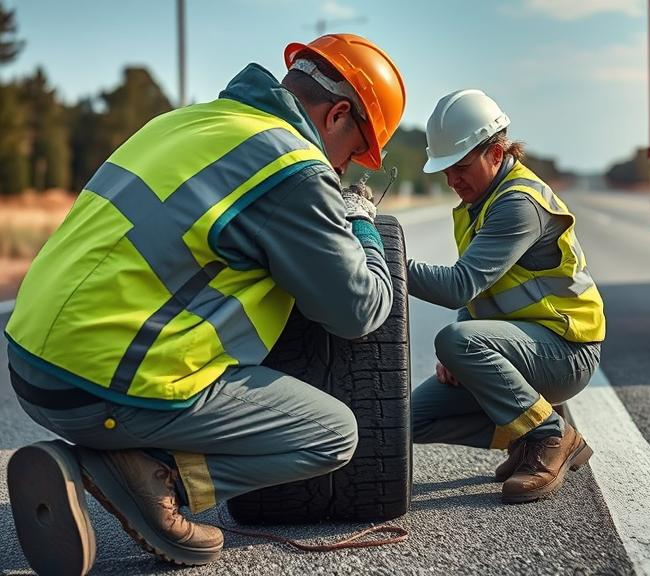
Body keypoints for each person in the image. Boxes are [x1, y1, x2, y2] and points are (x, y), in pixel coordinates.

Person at [5, 33, 406, 575]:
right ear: (337, 115)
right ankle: (155, 475)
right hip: (105, 386)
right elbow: (357, 310)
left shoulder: (186, 122)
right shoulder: (293, 168)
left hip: (31, 367)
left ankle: (120, 459)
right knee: (332, 433)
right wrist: (361, 224)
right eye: (356, 152)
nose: (345, 168)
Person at [408, 89, 605, 504]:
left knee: (455, 340)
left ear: (496, 153)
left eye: (460, 167)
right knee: (405, 420)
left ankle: (549, 436)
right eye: (445, 171)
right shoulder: (477, 202)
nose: (452, 180)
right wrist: (461, 355)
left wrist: (387, 265)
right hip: (522, 347)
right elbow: (479, 291)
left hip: (566, 349)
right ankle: (534, 425)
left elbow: (459, 285)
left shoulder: (517, 204)